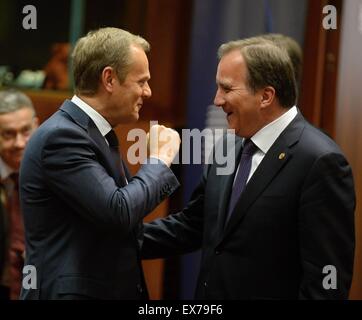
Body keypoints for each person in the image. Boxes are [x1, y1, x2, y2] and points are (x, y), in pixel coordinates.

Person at [142, 37, 355, 299]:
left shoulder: (320, 162)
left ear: (266, 96)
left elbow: (326, 281)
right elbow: (193, 226)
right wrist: (114, 239)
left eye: (226, 89)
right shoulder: (228, 146)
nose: (217, 100)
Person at [19, 27, 180, 300]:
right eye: (141, 81)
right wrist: (160, 160)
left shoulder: (96, 134)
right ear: (109, 79)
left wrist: (203, 227)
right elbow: (118, 211)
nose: (148, 92)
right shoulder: (63, 136)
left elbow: (117, 230)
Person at [0, 89, 38, 299]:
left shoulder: (56, 176)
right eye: (8, 134)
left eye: (26, 131)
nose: (19, 143)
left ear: (37, 126)